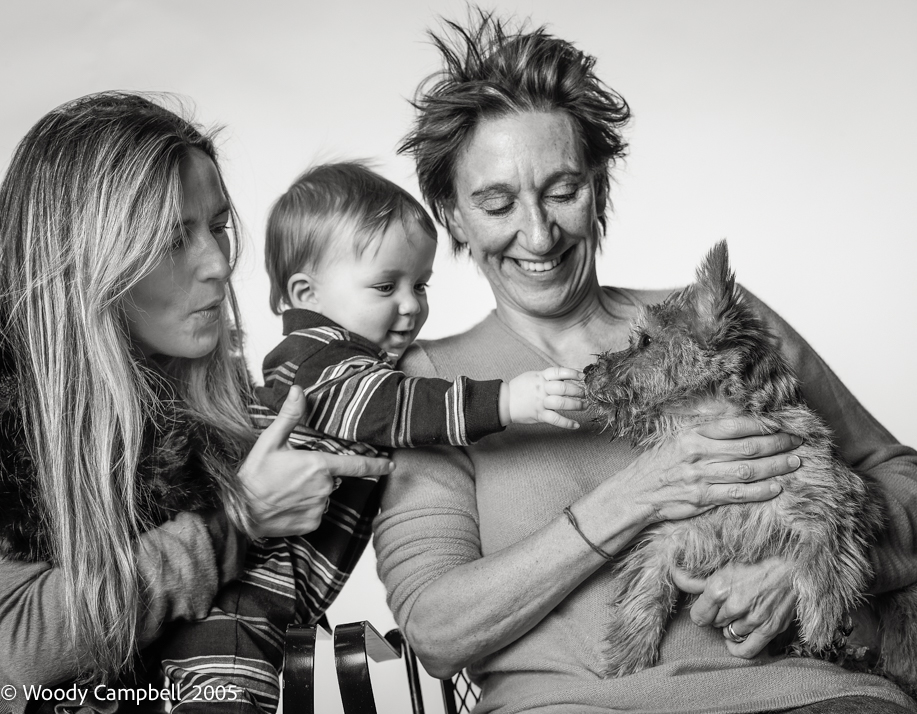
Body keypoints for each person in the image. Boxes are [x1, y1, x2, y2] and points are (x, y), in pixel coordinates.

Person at [373, 14, 917, 714]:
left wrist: (808, 570)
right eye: (497, 203)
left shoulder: (713, 320)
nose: (537, 233)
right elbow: (437, 632)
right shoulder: (427, 389)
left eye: (562, 190)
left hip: (813, 696)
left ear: (599, 186)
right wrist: (636, 496)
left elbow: (902, 477)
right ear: (452, 216)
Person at [0, 92, 392, 714]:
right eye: (173, 237)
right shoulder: (10, 429)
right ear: (85, 263)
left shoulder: (236, 415)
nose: (217, 264)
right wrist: (236, 520)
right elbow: (17, 648)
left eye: (217, 227)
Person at [159, 160, 587, 711]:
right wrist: (506, 400)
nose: (411, 305)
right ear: (306, 293)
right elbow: (394, 407)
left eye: (420, 285)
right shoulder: (313, 364)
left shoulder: (345, 362)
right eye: (386, 286)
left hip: (265, 602)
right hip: (236, 602)